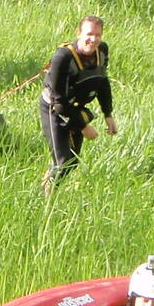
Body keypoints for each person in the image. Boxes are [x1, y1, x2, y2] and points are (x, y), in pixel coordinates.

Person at [40, 15, 116, 193]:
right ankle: (45, 195)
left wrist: (108, 114)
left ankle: (49, 186)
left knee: (72, 159)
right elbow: (59, 101)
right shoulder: (64, 57)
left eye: (98, 35)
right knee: (63, 160)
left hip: (75, 108)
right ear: (79, 33)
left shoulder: (102, 51)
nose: (94, 39)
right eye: (89, 34)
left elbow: (102, 83)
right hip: (54, 108)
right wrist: (84, 127)